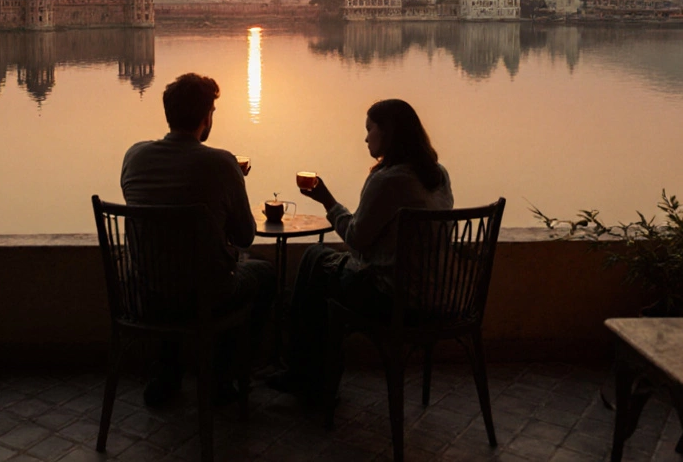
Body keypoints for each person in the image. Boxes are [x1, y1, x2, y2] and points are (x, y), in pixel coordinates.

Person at [269, 98, 453, 398]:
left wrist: (328, 201)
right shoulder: (438, 174)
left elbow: (356, 238)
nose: (366, 137)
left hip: (393, 302)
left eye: (370, 130)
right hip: (435, 296)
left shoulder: (388, 180)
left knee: (315, 262)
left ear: (388, 132)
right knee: (320, 263)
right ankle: (310, 373)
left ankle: (305, 374)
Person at [121, 72, 276, 407]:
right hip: (206, 297)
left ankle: (167, 373)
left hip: (146, 295)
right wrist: (233, 182)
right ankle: (227, 376)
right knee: (262, 274)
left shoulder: (135, 157)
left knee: (170, 269)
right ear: (207, 117)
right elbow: (245, 237)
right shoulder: (221, 163)